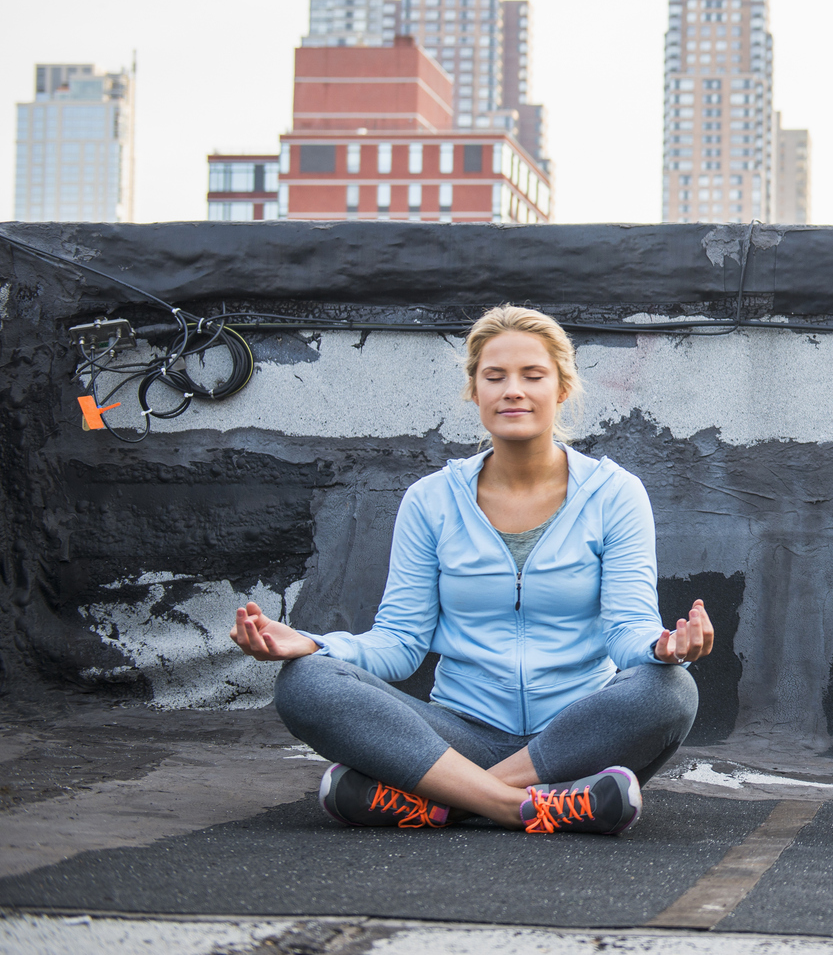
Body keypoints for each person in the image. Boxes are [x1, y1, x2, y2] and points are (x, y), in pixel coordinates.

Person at [228, 304, 709, 836]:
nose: (513, 390)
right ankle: (528, 806)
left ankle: (437, 800)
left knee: (670, 690)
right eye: (494, 376)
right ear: (474, 390)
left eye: (533, 375)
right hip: (458, 733)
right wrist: (314, 645)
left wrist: (660, 647)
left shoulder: (615, 495)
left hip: (574, 735)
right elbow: (400, 642)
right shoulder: (430, 500)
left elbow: (627, 631)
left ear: (562, 388)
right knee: (307, 682)